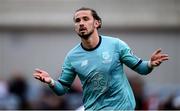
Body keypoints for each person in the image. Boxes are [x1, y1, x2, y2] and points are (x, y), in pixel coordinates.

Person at [33, 7, 169, 110]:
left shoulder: (116, 45)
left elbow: (141, 68)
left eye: (85, 19)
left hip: (122, 108)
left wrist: (150, 64)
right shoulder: (72, 57)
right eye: (77, 20)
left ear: (97, 23)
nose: (81, 23)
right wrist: (50, 81)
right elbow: (62, 89)